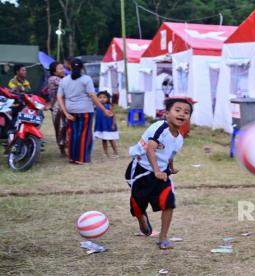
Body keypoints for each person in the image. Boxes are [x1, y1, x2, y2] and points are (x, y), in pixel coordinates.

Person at [125, 97, 193, 250]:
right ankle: (141, 219)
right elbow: (150, 148)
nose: (182, 114)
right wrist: (156, 170)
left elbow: (170, 154)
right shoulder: (160, 128)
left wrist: (170, 167)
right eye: (177, 110)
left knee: (168, 202)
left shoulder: (180, 138)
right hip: (141, 170)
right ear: (167, 113)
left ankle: (163, 238)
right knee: (138, 206)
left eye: (186, 112)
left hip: (161, 173)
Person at [57, 58, 112, 164]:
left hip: (70, 110)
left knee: (72, 133)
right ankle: (81, 159)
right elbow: (93, 96)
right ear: (82, 68)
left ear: (70, 67)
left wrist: (65, 113)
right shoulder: (86, 79)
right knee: (84, 134)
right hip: (85, 110)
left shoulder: (64, 80)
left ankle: (72, 158)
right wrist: (104, 110)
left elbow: (60, 97)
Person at [48, 62, 67, 156]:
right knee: (60, 127)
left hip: (64, 105)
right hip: (57, 106)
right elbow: (67, 85)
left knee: (65, 126)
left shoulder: (62, 78)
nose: (63, 70)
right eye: (60, 68)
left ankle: (65, 147)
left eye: (63, 68)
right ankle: (62, 148)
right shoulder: (53, 79)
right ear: (54, 71)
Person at [94, 91, 119, 157]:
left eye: (104, 97)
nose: (102, 99)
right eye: (100, 97)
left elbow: (114, 116)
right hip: (102, 126)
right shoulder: (97, 107)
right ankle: (105, 152)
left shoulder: (109, 106)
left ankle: (115, 152)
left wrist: (113, 124)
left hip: (108, 126)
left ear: (108, 98)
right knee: (103, 139)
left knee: (111, 139)